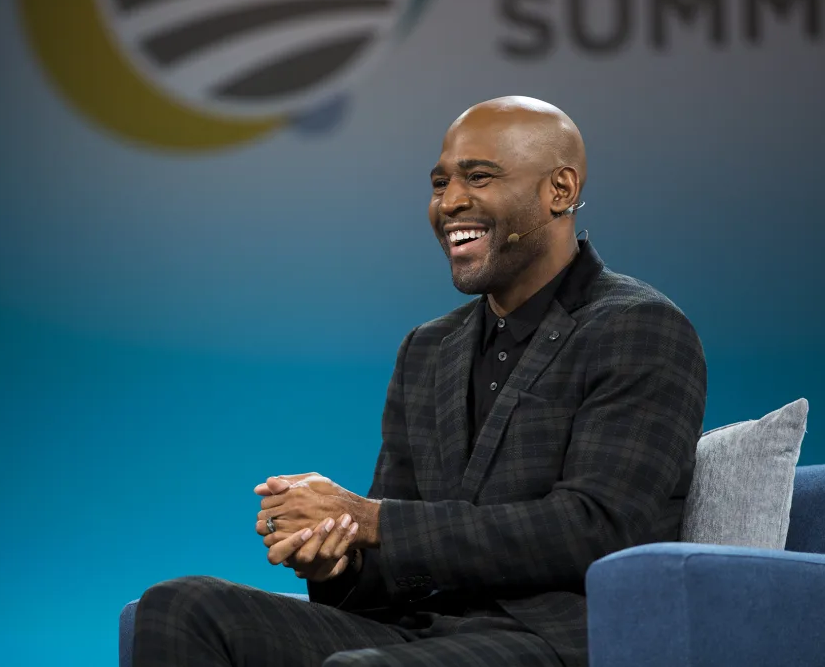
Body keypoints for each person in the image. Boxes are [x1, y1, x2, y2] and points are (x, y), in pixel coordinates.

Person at [131, 96, 707, 667]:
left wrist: (373, 520)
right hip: (423, 629)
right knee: (180, 608)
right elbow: (391, 560)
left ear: (559, 190)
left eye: (478, 177)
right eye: (439, 183)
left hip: (553, 638)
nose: (451, 202)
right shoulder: (428, 348)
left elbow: (597, 529)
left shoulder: (637, 326)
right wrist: (338, 557)